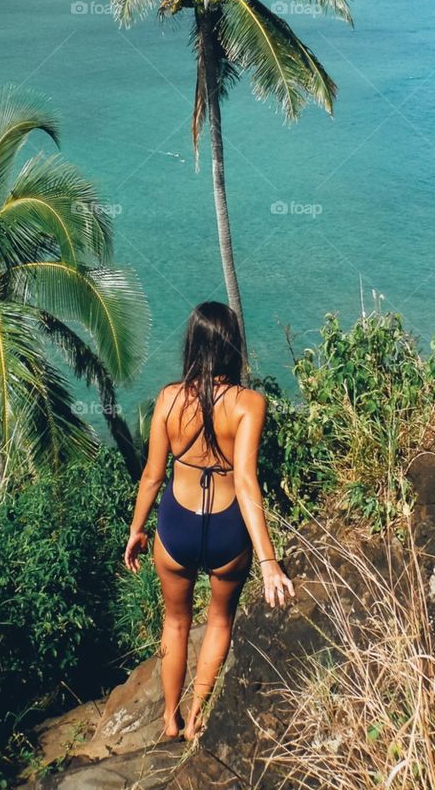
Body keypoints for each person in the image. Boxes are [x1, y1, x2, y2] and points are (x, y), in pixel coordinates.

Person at [124, 300, 295, 741]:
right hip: (226, 531)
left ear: (193, 344)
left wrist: (136, 530)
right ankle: (197, 715)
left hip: (177, 527)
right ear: (233, 346)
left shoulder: (167, 399)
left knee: (176, 621)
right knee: (219, 620)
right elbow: (245, 482)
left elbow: (151, 476)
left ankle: (169, 718)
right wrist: (268, 561)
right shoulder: (249, 404)